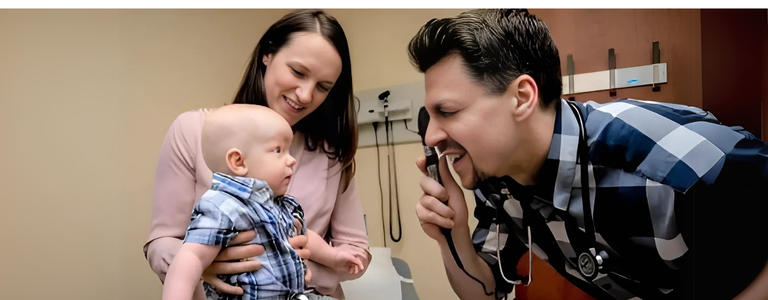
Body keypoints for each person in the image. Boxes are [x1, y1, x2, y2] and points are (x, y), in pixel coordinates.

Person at [408, 9, 768, 300]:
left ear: (522, 97)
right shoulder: (496, 179)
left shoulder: (663, 158)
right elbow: (485, 291)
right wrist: (452, 233)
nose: (432, 136)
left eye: (448, 112)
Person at [144, 9, 371, 300]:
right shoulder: (193, 130)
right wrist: (202, 264)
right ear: (267, 54)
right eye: (298, 72)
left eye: (323, 87)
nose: (305, 95)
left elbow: (356, 255)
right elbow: (162, 241)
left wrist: (298, 266)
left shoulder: (330, 155)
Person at [161, 105, 366, 300]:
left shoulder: (282, 204)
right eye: (278, 150)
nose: (291, 160)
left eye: (289, 150)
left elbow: (304, 236)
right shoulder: (222, 207)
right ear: (238, 161)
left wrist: (334, 256)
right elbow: (190, 259)